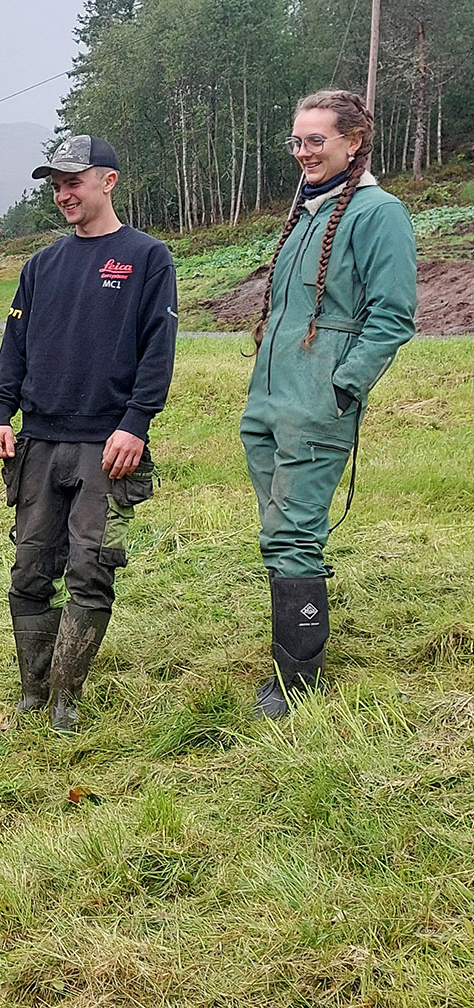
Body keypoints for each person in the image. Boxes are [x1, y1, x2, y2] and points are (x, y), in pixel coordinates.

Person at [0, 135, 177, 732]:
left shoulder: (147, 258)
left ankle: (66, 698)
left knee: (92, 568)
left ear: (108, 181)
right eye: (56, 185)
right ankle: (34, 689)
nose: (64, 194)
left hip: (108, 446)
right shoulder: (41, 265)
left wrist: (135, 424)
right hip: (39, 442)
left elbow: (158, 349)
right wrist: (0, 413)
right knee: (30, 568)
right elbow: (13, 344)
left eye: (74, 181)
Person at [242, 89, 416, 719]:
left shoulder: (379, 213)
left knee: (292, 535)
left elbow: (393, 315)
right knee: (278, 533)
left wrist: (343, 386)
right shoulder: (310, 210)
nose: (304, 152)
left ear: (353, 142)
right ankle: (295, 656)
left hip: (316, 404)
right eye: (297, 140)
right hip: (267, 406)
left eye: (317, 140)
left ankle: (298, 684)